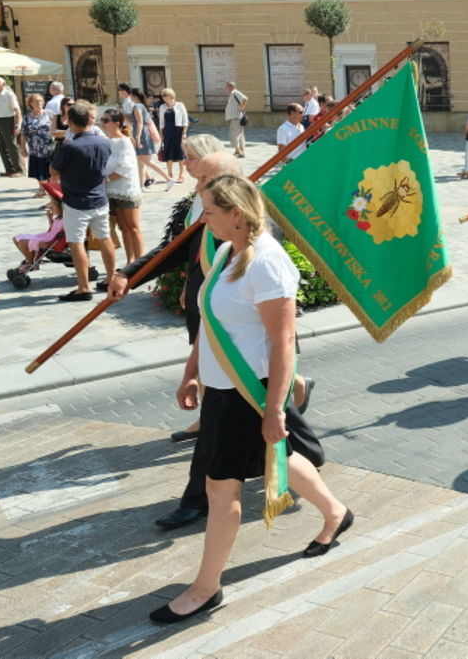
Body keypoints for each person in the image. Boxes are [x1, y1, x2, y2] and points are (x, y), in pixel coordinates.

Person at [148, 174, 350, 625]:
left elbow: (283, 344)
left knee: (221, 489)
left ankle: (207, 587)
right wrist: (191, 374)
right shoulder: (225, 253)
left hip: (250, 391)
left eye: (211, 212)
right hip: (220, 390)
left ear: (236, 214)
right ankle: (336, 511)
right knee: (276, 458)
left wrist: (275, 409)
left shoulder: (267, 264)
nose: (204, 219)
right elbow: (209, 320)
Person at [50, 101, 116, 301]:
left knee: (76, 242)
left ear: (70, 122)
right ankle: (111, 279)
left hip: (75, 201)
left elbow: (53, 171)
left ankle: (83, 287)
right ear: (89, 120)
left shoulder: (69, 148)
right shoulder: (105, 143)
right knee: (105, 238)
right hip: (99, 198)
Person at [100, 109, 144, 265]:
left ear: (116, 123)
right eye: (102, 120)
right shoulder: (106, 140)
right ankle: (130, 260)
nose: (102, 123)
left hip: (126, 190)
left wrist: (106, 179)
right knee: (123, 228)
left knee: (133, 227)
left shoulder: (124, 141)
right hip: (111, 191)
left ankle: (140, 262)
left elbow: (125, 167)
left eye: (106, 120)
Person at [11, 183, 66, 273]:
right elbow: (53, 230)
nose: (50, 207)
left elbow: (61, 235)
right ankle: (30, 259)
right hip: (48, 236)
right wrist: (50, 219)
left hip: (51, 241)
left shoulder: (65, 219)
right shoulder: (59, 217)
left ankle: (31, 262)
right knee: (16, 238)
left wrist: (48, 242)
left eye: (53, 205)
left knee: (22, 241)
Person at [130, 87, 170, 188]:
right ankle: (141, 186)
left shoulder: (138, 106)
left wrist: (138, 137)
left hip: (142, 135)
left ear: (133, 96)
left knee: (147, 161)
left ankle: (169, 179)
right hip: (143, 134)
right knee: (140, 162)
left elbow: (140, 122)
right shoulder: (141, 105)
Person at [18, 93, 54, 197]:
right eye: (36, 101)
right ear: (30, 103)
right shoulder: (27, 117)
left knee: (50, 171)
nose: (39, 103)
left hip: (48, 148)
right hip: (35, 149)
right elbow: (23, 134)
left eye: (41, 101)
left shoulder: (49, 114)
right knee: (39, 171)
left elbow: (55, 128)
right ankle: (42, 189)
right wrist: (23, 148)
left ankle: (51, 190)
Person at [0, 76, 23, 177]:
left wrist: (17, 125)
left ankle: (19, 169)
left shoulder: (9, 95)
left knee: (11, 146)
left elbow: (17, 111)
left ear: (3, 85)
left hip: (8, 121)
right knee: (1, 147)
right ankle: (9, 169)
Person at [158, 88, 189, 183]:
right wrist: (161, 134)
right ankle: (170, 174)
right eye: (162, 96)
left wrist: (184, 132)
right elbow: (161, 122)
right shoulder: (162, 107)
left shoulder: (180, 105)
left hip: (178, 131)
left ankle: (181, 174)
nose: (163, 98)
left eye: (165, 95)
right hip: (167, 131)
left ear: (171, 96)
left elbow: (185, 120)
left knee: (180, 153)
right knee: (168, 153)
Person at [224, 81, 248, 158]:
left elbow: (245, 99)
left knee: (234, 134)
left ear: (231, 86)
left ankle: (238, 151)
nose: (225, 88)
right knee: (239, 135)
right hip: (235, 118)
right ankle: (240, 151)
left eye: (226, 86)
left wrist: (242, 107)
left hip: (236, 118)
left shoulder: (235, 93)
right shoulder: (232, 94)